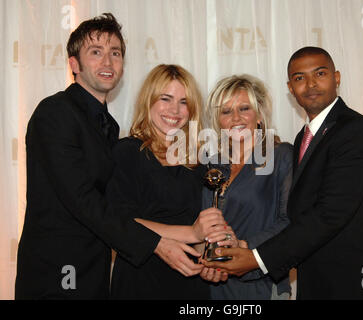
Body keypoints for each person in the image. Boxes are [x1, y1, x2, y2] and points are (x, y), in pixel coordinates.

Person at [15, 13, 191, 299]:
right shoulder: (55, 113)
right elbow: (82, 200)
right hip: (58, 270)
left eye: (115, 53)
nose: (108, 62)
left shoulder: (108, 127)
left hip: (94, 268)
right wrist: (156, 244)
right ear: (74, 64)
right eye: (95, 52)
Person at [204, 47, 363, 300]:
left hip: (356, 281)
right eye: (299, 78)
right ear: (290, 87)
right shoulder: (305, 138)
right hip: (316, 279)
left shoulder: (355, 131)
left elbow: (329, 214)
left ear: (336, 78)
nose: (310, 84)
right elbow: (302, 213)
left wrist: (256, 257)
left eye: (319, 73)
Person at [107, 64, 230, 299]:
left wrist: (209, 259)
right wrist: (192, 233)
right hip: (139, 281)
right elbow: (120, 221)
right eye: (166, 98)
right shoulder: (127, 152)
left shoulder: (199, 162)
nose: (175, 110)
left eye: (184, 102)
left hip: (189, 284)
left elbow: (201, 228)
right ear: (148, 101)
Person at [200, 74, 293, 300]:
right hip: (212, 284)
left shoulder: (280, 156)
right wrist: (202, 258)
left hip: (260, 282)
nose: (235, 118)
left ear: (259, 115)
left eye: (244, 108)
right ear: (217, 120)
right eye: (226, 111)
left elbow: (290, 221)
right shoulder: (210, 161)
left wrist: (244, 245)